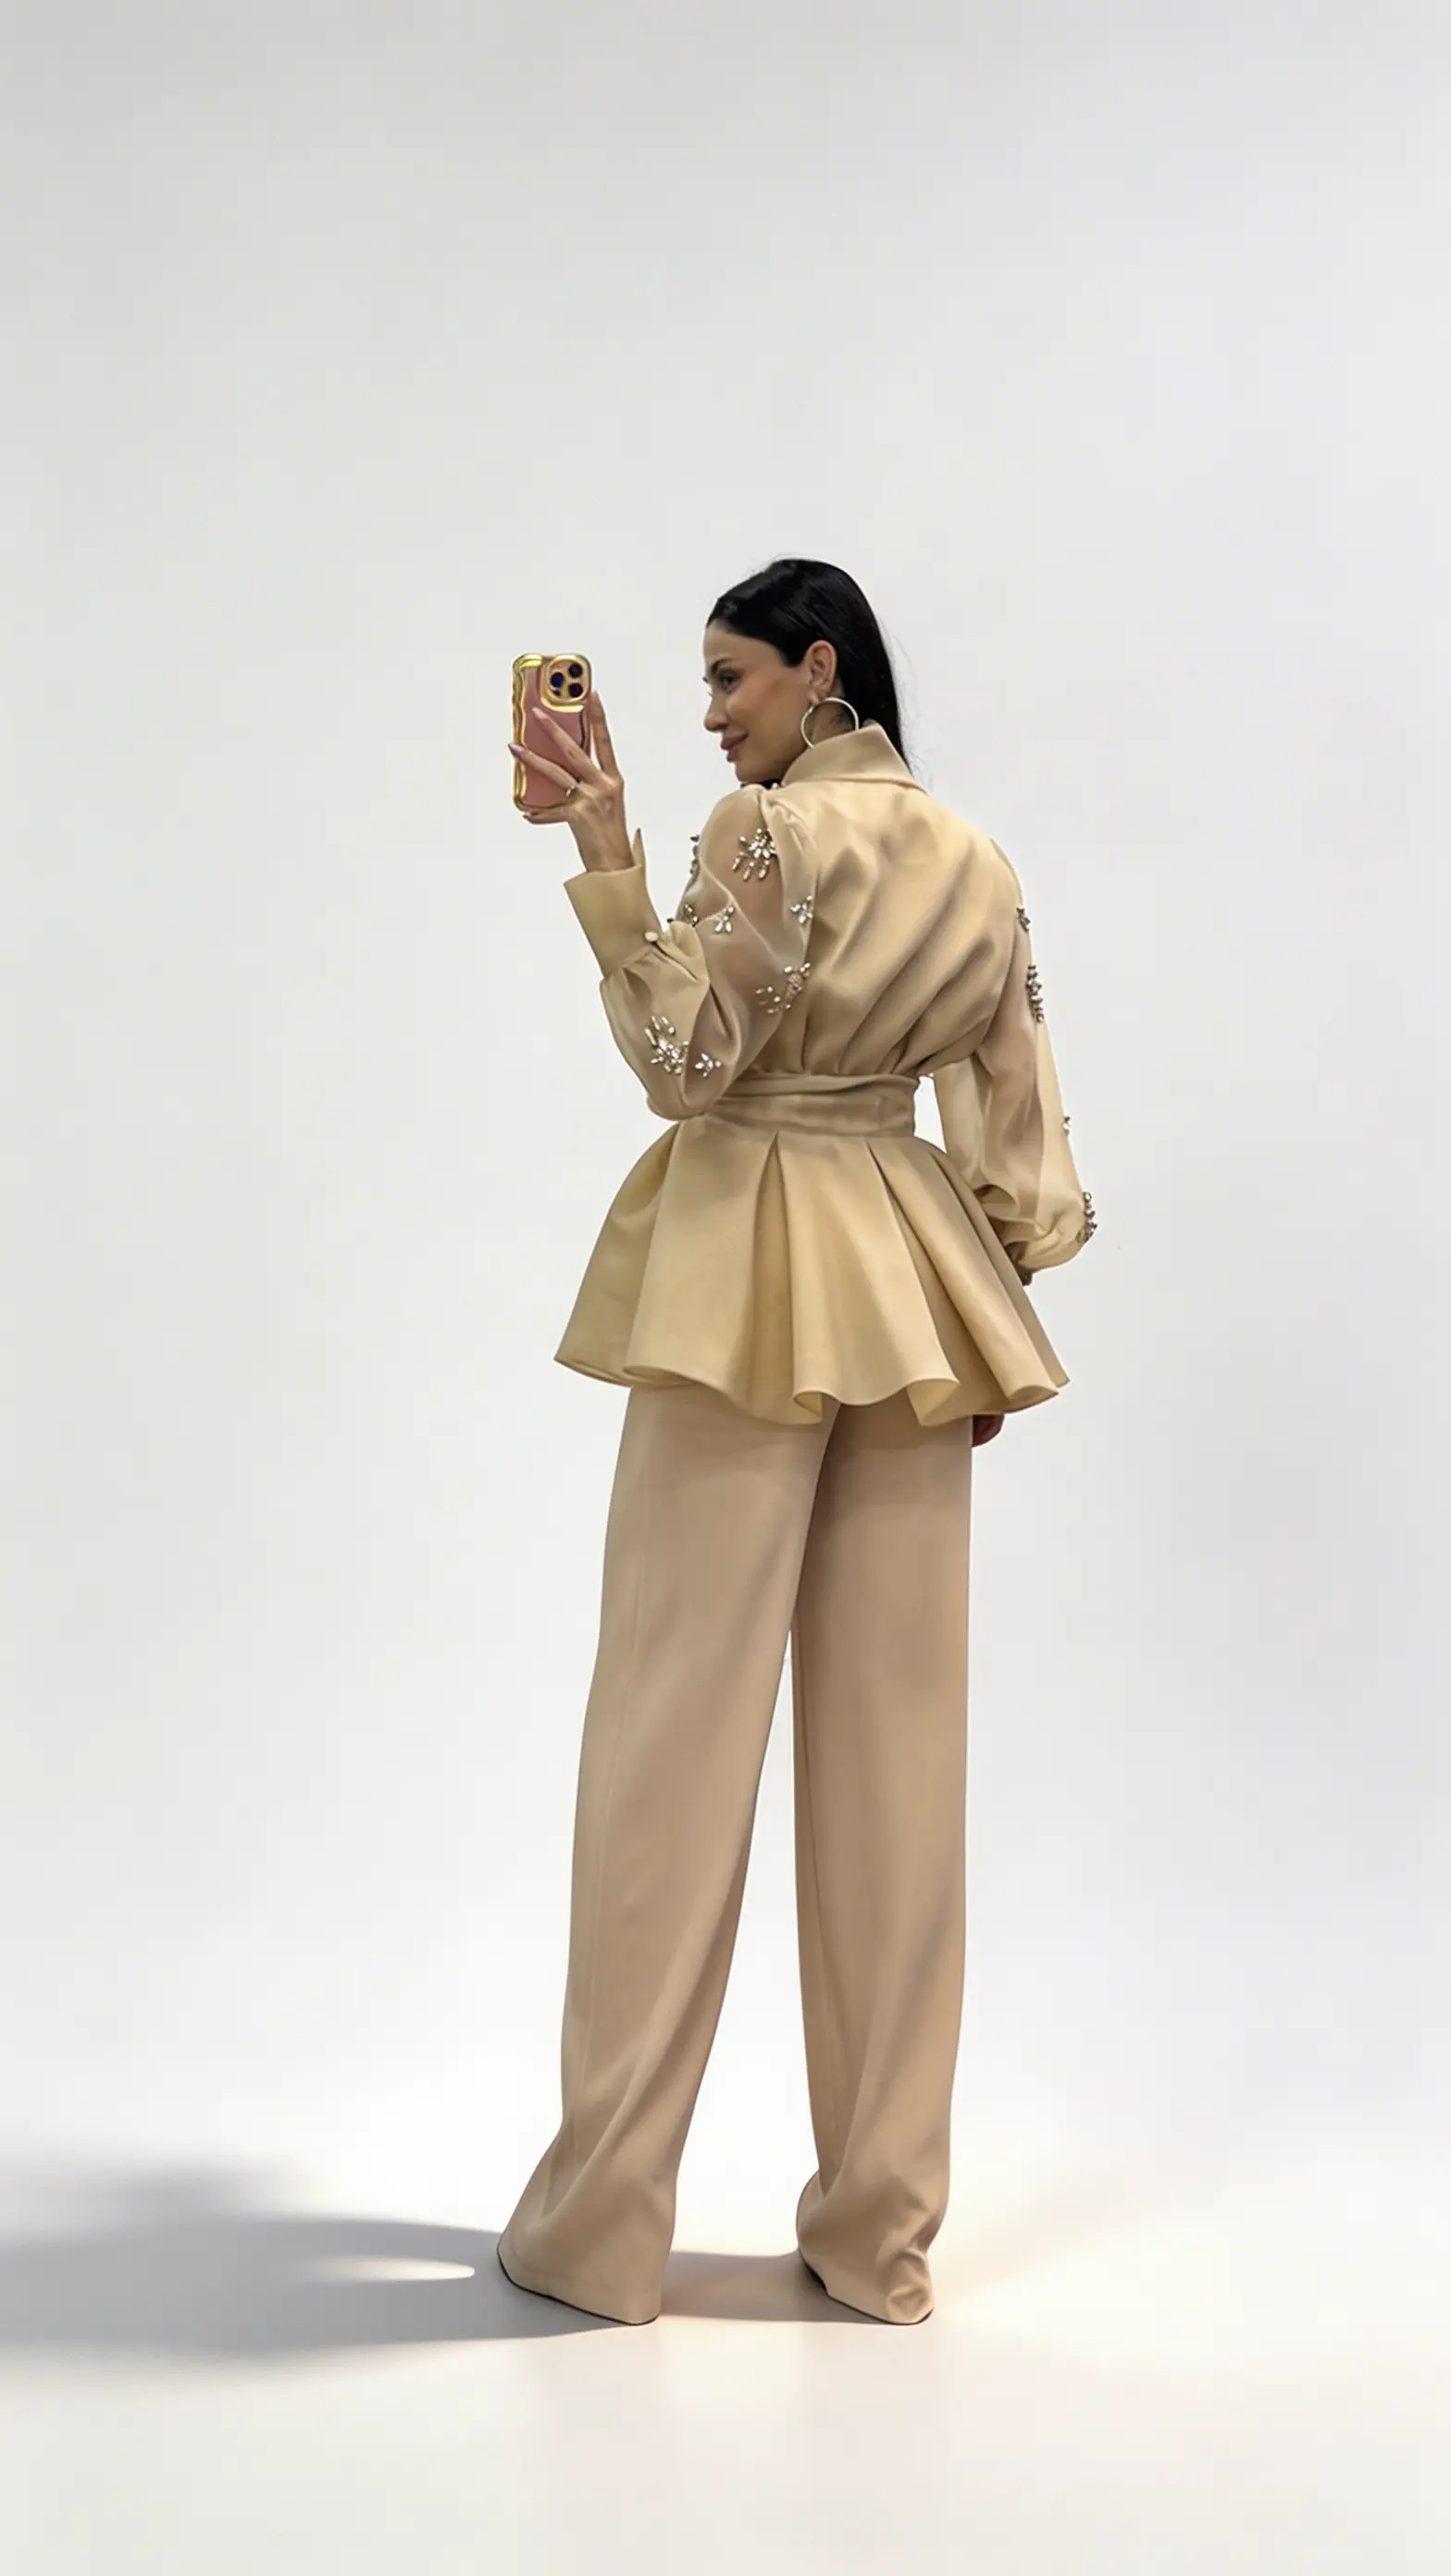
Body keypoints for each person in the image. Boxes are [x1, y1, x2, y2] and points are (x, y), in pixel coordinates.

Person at [495, 558, 1095, 2327]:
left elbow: (687, 1060)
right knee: (900, 1775)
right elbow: (1020, 1124)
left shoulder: (760, 834)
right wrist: (985, 1301)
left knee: (667, 1751)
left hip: (745, 1281)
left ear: (818, 669)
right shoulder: (976, 859)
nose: (709, 715)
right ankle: (877, 2232)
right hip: (912, 1292)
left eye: (729, 679)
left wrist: (605, 852)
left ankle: (602, 2228)